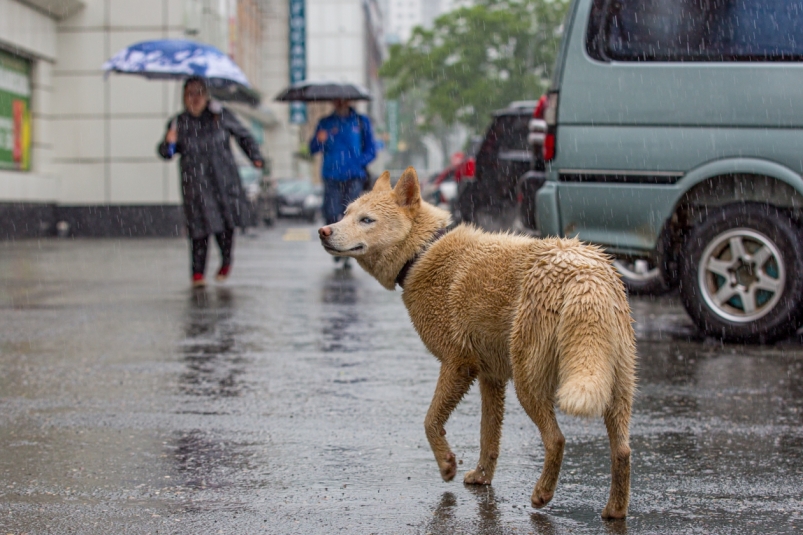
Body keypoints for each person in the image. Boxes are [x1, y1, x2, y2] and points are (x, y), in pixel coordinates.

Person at [158, 76, 264, 288]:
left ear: (206, 96)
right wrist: (169, 142)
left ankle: (226, 261)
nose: (194, 98)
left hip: (222, 180)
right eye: (189, 94)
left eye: (199, 93)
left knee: (225, 225)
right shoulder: (178, 122)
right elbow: (167, 153)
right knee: (198, 228)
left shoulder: (220, 115)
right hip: (195, 184)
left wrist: (255, 156)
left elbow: (244, 135)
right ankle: (197, 273)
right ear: (184, 98)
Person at [309, 99, 376, 265]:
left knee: (350, 215)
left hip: (354, 176)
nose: (340, 103)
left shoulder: (361, 122)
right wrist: (320, 139)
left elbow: (372, 150)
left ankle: (346, 250)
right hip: (331, 175)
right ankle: (335, 245)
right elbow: (313, 148)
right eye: (337, 101)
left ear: (349, 101)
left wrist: (358, 162)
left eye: (343, 100)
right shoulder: (325, 122)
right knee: (331, 213)